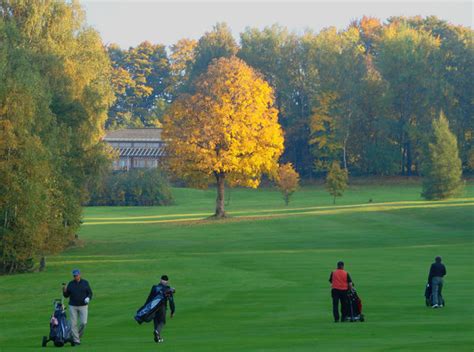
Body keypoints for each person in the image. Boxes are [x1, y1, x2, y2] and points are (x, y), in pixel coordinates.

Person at [62, 269, 93, 345]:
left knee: (83, 323)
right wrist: (64, 290)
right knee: (73, 324)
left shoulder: (85, 283)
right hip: (73, 306)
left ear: (80, 275)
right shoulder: (71, 284)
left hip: (83, 306)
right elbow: (66, 296)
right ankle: (76, 340)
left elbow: (90, 293)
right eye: (74, 275)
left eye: (76, 275)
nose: (75, 276)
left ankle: (77, 336)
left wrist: (88, 298)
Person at [145, 275, 175, 343]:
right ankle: (157, 332)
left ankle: (157, 338)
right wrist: (172, 311)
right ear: (167, 281)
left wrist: (146, 307)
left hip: (153, 307)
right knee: (162, 322)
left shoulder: (154, 287)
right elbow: (171, 301)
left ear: (160, 280)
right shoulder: (168, 289)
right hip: (162, 306)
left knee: (156, 321)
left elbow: (149, 298)